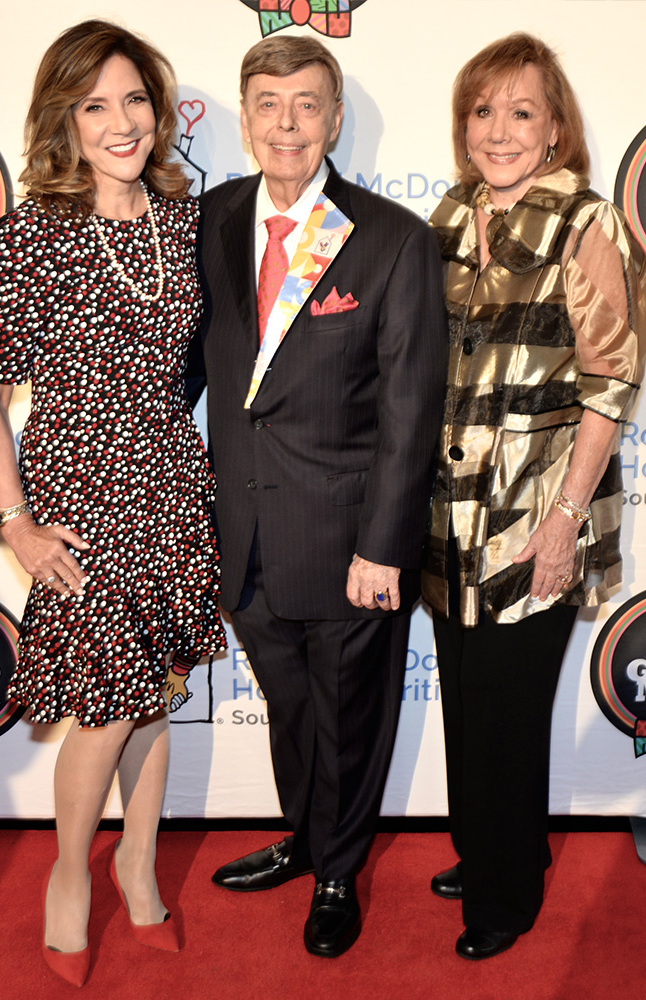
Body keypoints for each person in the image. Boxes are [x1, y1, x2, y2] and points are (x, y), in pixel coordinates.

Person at [0, 20, 225, 987]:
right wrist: (15, 521)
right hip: (82, 498)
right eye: (95, 105)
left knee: (155, 697)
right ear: (63, 121)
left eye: (134, 100)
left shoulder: (183, 218)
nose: (120, 122)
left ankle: (138, 862)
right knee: (108, 709)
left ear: (157, 111)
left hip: (172, 486)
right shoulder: (33, 231)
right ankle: (70, 873)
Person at [190, 35, 448, 958]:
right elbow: (183, 374)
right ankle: (305, 837)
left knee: (348, 719)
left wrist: (384, 546)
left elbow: (412, 411)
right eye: (268, 103)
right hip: (243, 534)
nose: (286, 123)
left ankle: (337, 873)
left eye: (307, 104)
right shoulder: (211, 220)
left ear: (335, 120)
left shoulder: (390, 239)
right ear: (247, 116)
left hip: (349, 544)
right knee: (292, 711)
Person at [423, 32, 646, 960]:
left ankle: (507, 893)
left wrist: (561, 521)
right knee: (469, 699)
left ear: (556, 129)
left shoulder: (585, 224)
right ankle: (483, 849)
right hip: (446, 512)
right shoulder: (446, 216)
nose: (499, 130)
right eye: (483, 110)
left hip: (534, 510)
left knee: (510, 709)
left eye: (521, 111)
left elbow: (611, 381)